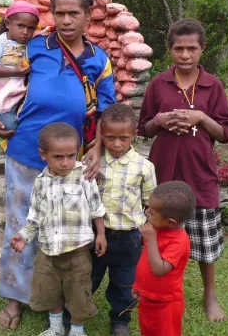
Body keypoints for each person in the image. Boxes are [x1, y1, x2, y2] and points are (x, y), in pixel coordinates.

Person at [0, 0, 116, 331]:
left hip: (71, 163)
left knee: (68, 230)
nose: (65, 20)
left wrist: (97, 147)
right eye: (59, 13)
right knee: (20, 226)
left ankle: (61, 300)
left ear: (88, 15)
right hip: (26, 152)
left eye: (73, 13)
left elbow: (107, 110)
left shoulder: (99, 59)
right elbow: (4, 85)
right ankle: (15, 299)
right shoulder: (34, 47)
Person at [138, 19, 228, 322]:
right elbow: (144, 128)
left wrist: (200, 117)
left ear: (202, 49)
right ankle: (148, 287)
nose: (184, 55)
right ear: (170, 50)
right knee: (157, 234)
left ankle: (209, 296)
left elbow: (225, 133)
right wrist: (161, 121)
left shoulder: (212, 85)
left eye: (191, 48)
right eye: (178, 48)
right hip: (163, 172)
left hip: (199, 173)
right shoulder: (159, 84)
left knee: (206, 241)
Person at [10, 122, 107, 336]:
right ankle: (55, 328)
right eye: (58, 157)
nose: (65, 163)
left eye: (71, 156)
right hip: (47, 251)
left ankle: (77, 329)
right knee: (50, 290)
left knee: (78, 291)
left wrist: (100, 233)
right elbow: (35, 215)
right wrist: (23, 237)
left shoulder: (84, 175)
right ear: (43, 155)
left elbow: (96, 207)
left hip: (78, 250)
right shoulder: (40, 182)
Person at [92, 103, 157, 336]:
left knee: (125, 282)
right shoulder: (94, 163)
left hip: (129, 236)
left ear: (134, 136)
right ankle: (76, 313)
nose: (117, 144)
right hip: (98, 233)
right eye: (110, 138)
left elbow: (150, 203)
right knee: (89, 276)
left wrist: (149, 234)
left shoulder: (144, 167)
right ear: (102, 135)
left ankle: (120, 320)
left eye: (123, 138)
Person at [133, 181, 196, 336]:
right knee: (147, 330)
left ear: (171, 222)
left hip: (166, 305)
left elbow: (159, 269)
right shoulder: (158, 229)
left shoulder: (179, 241)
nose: (147, 212)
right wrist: (139, 286)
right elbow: (145, 262)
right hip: (148, 299)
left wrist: (151, 240)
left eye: (152, 212)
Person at [0, 1, 40, 132]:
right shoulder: (1, 42)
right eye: (21, 26)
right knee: (9, 126)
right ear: (8, 24)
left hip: (19, 89)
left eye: (31, 28)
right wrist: (15, 71)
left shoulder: (29, 43)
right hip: (2, 89)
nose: (25, 32)